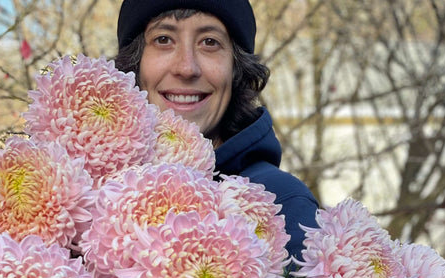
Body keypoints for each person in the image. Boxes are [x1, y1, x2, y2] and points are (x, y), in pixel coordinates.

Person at [115, 0, 318, 261]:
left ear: (236, 68)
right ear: (135, 63)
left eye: (209, 42)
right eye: (163, 39)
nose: (187, 68)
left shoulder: (282, 205)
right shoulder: (89, 192)